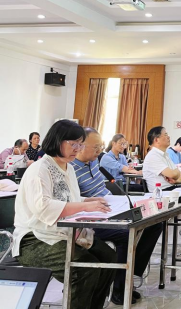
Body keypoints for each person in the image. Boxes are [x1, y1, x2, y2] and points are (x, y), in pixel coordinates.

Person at [12, 120, 116, 309]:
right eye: (74, 144)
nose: (78, 149)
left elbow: (67, 198)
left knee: (108, 258)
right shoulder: (40, 169)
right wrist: (83, 206)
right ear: (57, 140)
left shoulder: (68, 168)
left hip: (62, 232)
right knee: (84, 269)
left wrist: (87, 201)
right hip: (33, 239)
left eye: (80, 144)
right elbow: (44, 206)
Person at [71, 128, 163, 305]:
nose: (99, 151)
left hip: (110, 207)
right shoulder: (71, 168)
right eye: (96, 147)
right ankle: (119, 288)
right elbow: (76, 202)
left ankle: (131, 273)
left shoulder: (93, 162)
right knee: (127, 234)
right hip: (92, 218)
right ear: (80, 145)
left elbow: (103, 190)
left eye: (100, 146)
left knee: (154, 223)